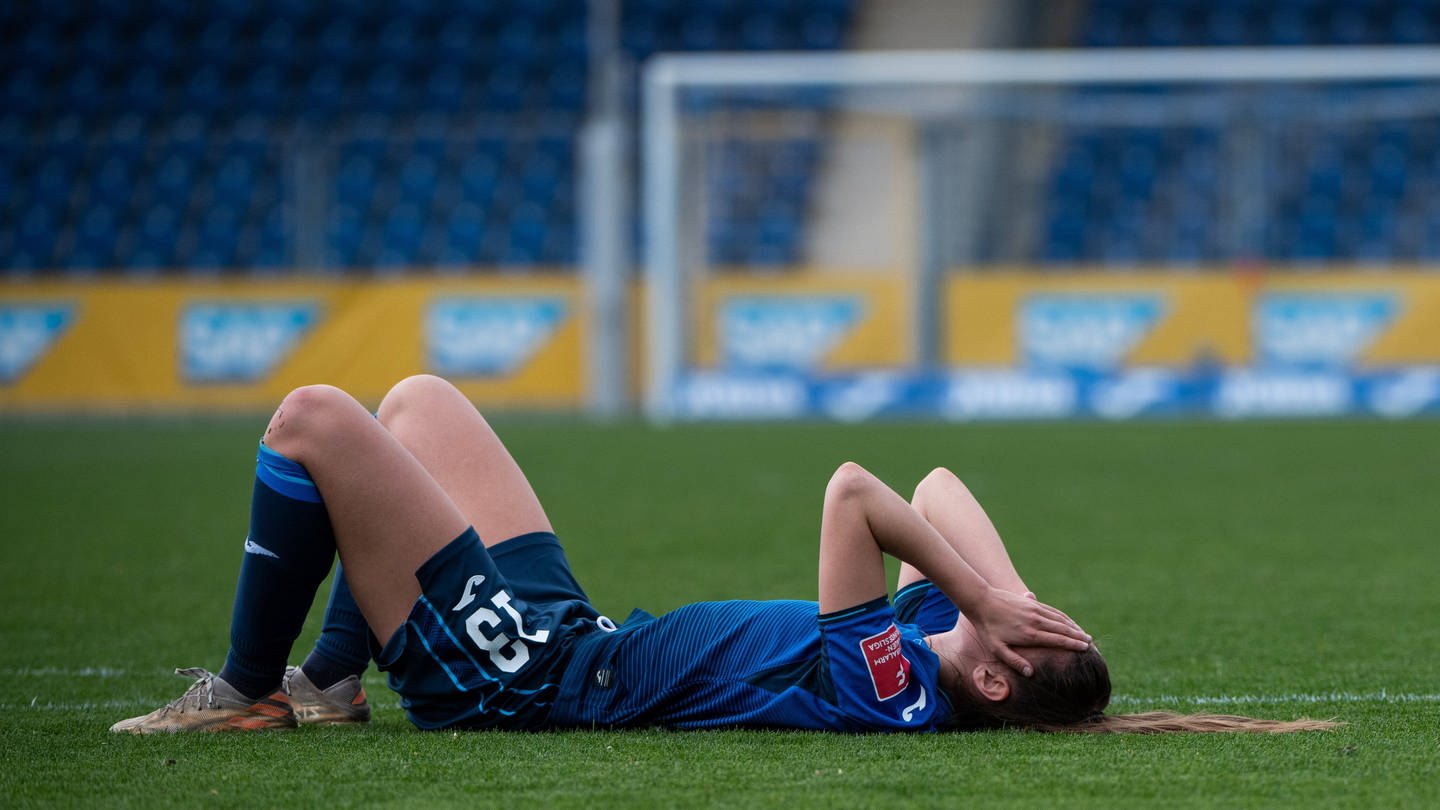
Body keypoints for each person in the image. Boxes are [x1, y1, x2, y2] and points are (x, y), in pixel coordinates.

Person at [111, 375, 1334, 735]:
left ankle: (250, 691)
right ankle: (334, 681)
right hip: (582, 637)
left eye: (1012, 634)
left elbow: (858, 492)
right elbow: (943, 484)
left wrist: (975, 594)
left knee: (314, 422)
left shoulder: (895, 690)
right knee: (419, 402)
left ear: (998, 677)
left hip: (531, 684)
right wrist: (1004, 598)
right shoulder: (949, 645)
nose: (1006, 613)